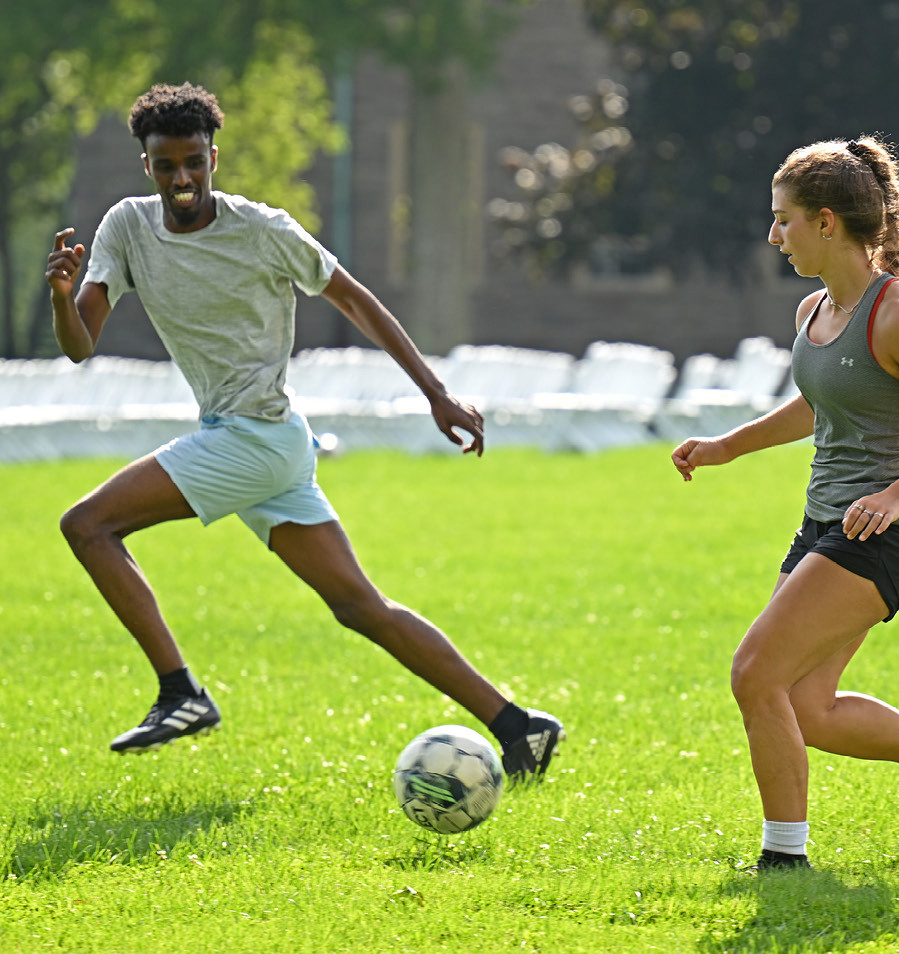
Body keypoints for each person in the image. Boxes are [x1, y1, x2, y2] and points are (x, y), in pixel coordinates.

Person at [45, 82, 562, 780]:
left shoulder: (263, 229)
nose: (182, 178)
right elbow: (81, 346)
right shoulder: (128, 228)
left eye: (194, 161)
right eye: (166, 165)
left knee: (89, 526)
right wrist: (60, 296)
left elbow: (356, 300)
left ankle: (180, 692)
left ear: (214, 157)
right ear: (147, 167)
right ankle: (518, 725)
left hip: (254, 439)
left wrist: (437, 394)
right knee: (361, 607)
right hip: (266, 443)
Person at [671, 137, 899, 870]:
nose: (772, 236)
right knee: (806, 708)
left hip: (887, 536)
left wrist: (896, 494)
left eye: (782, 220)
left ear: (826, 223)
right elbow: (819, 405)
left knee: (756, 675)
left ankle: (783, 861)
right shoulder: (814, 309)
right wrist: (729, 445)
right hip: (826, 526)